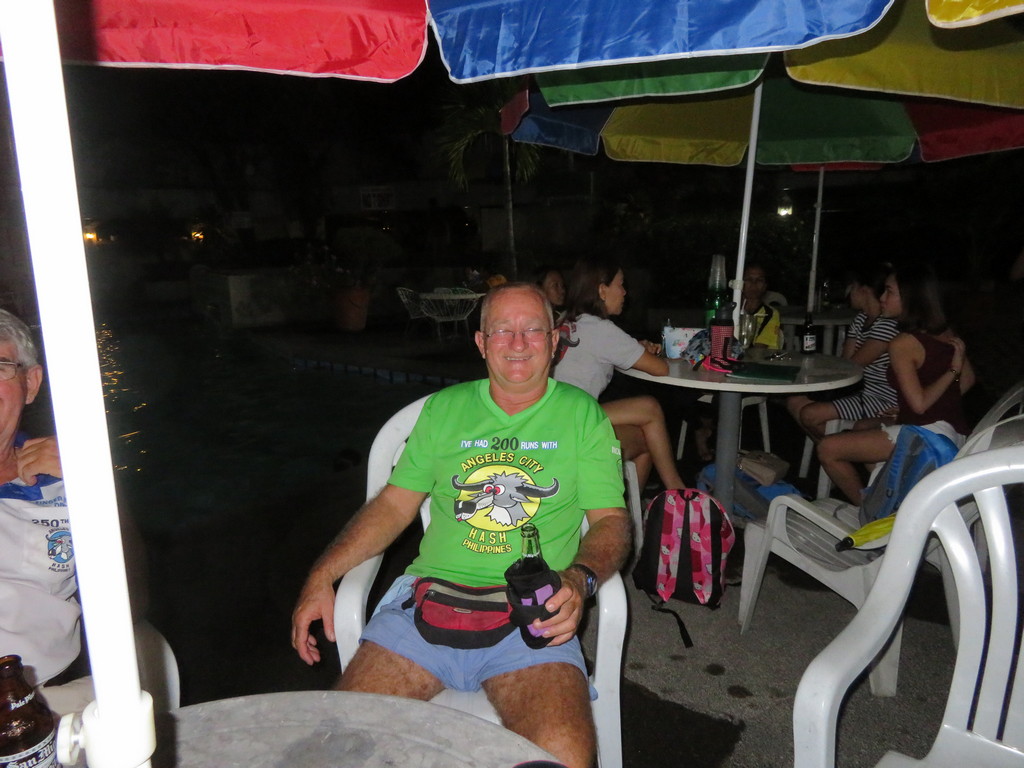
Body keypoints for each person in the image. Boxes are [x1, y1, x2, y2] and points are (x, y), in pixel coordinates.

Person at [291, 283, 631, 768]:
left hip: (533, 619)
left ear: (555, 341)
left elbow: (612, 522)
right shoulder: (444, 410)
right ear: (481, 343)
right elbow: (392, 506)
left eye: (533, 330)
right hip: (422, 609)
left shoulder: (582, 416)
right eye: (503, 330)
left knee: (562, 757)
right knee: (333, 752)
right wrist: (323, 574)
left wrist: (579, 578)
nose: (518, 343)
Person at [817, 264, 976, 504]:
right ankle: (891, 500)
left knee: (827, 449)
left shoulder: (903, 343)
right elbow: (967, 380)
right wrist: (912, 405)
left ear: (910, 297)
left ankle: (870, 511)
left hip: (928, 436)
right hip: (955, 431)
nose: (882, 297)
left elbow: (921, 404)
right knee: (864, 427)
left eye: (889, 291)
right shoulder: (944, 331)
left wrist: (950, 371)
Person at [552, 257, 686, 491]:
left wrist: (635, 348)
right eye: (621, 284)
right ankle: (678, 493)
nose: (625, 292)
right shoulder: (601, 329)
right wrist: (643, 351)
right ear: (602, 290)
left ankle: (633, 509)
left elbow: (598, 353)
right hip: (573, 424)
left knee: (647, 431)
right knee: (650, 410)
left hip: (554, 419)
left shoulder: (566, 320)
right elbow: (660, 368)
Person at [786, 264, 899, 440]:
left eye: (851, 287)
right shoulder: (860, 319)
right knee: (794, 401)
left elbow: (853, 365)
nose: (848, 293)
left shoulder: (887, 325)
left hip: (882, 398)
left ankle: (837, 449)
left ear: (864, 290)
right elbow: (845, 362)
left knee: (810, 414)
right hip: (859, 391)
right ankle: (834, 448)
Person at [741, 263, 783, 350]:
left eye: (759, 280)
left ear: (765, 286)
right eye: (749, 279)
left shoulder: (770, 314)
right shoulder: (731, 311)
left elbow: (759, 349)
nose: (754, 284)